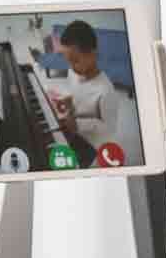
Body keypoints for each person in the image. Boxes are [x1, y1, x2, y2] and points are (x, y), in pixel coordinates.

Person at [46, 20, 140, 164]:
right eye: (68, 61)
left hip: (93, 145)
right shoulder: (73, 72)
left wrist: (79, 124)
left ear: (93, 54)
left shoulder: (106, 91)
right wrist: (68, 100)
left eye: (75, 60)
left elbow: (108, 128)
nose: (71, 67)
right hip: (75, 131)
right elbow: (78, 94)